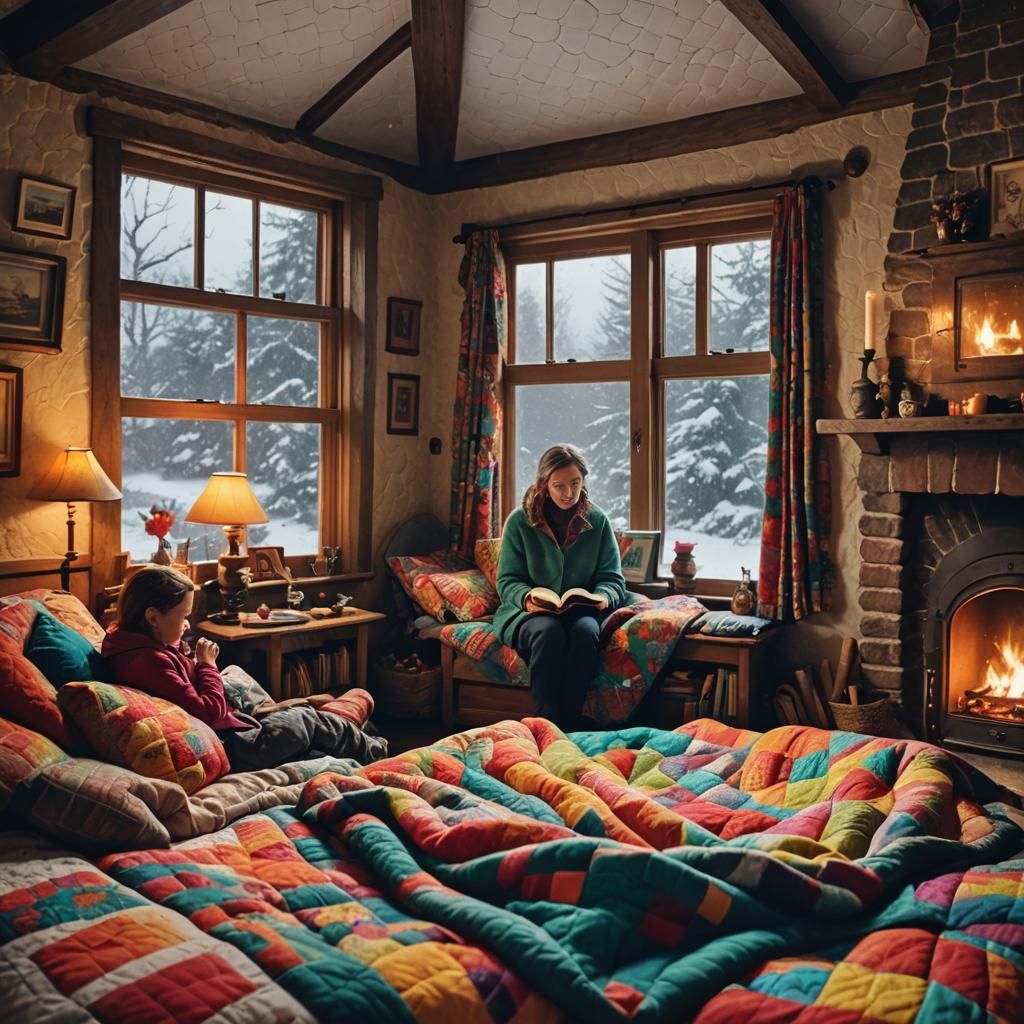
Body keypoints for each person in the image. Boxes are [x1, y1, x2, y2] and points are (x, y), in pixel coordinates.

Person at [102, 565, 387, 771]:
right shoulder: (148, 662)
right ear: (153, 617)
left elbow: (178, 679)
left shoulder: (131, 643)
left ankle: (348, 730)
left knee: (318, 747)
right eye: (184, 615)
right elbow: (210, 713)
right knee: (307, 720)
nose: (187, 623)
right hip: (233, 745)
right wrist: (206, 664)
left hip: (234, 730)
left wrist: (182, 653)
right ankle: (380, 752)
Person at [492, 444, 627, 728]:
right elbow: (507, 580)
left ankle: (570, 724)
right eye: (559, 486)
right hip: (529, 613)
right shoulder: (519, 521)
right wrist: (527, 597)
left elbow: (613, 579)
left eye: (575, 483)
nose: (569, 493)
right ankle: (546, 721)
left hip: (582, 611)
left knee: (585, 633)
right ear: (544, 484)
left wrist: (603, 597)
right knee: (548, 631)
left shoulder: (597, 521)